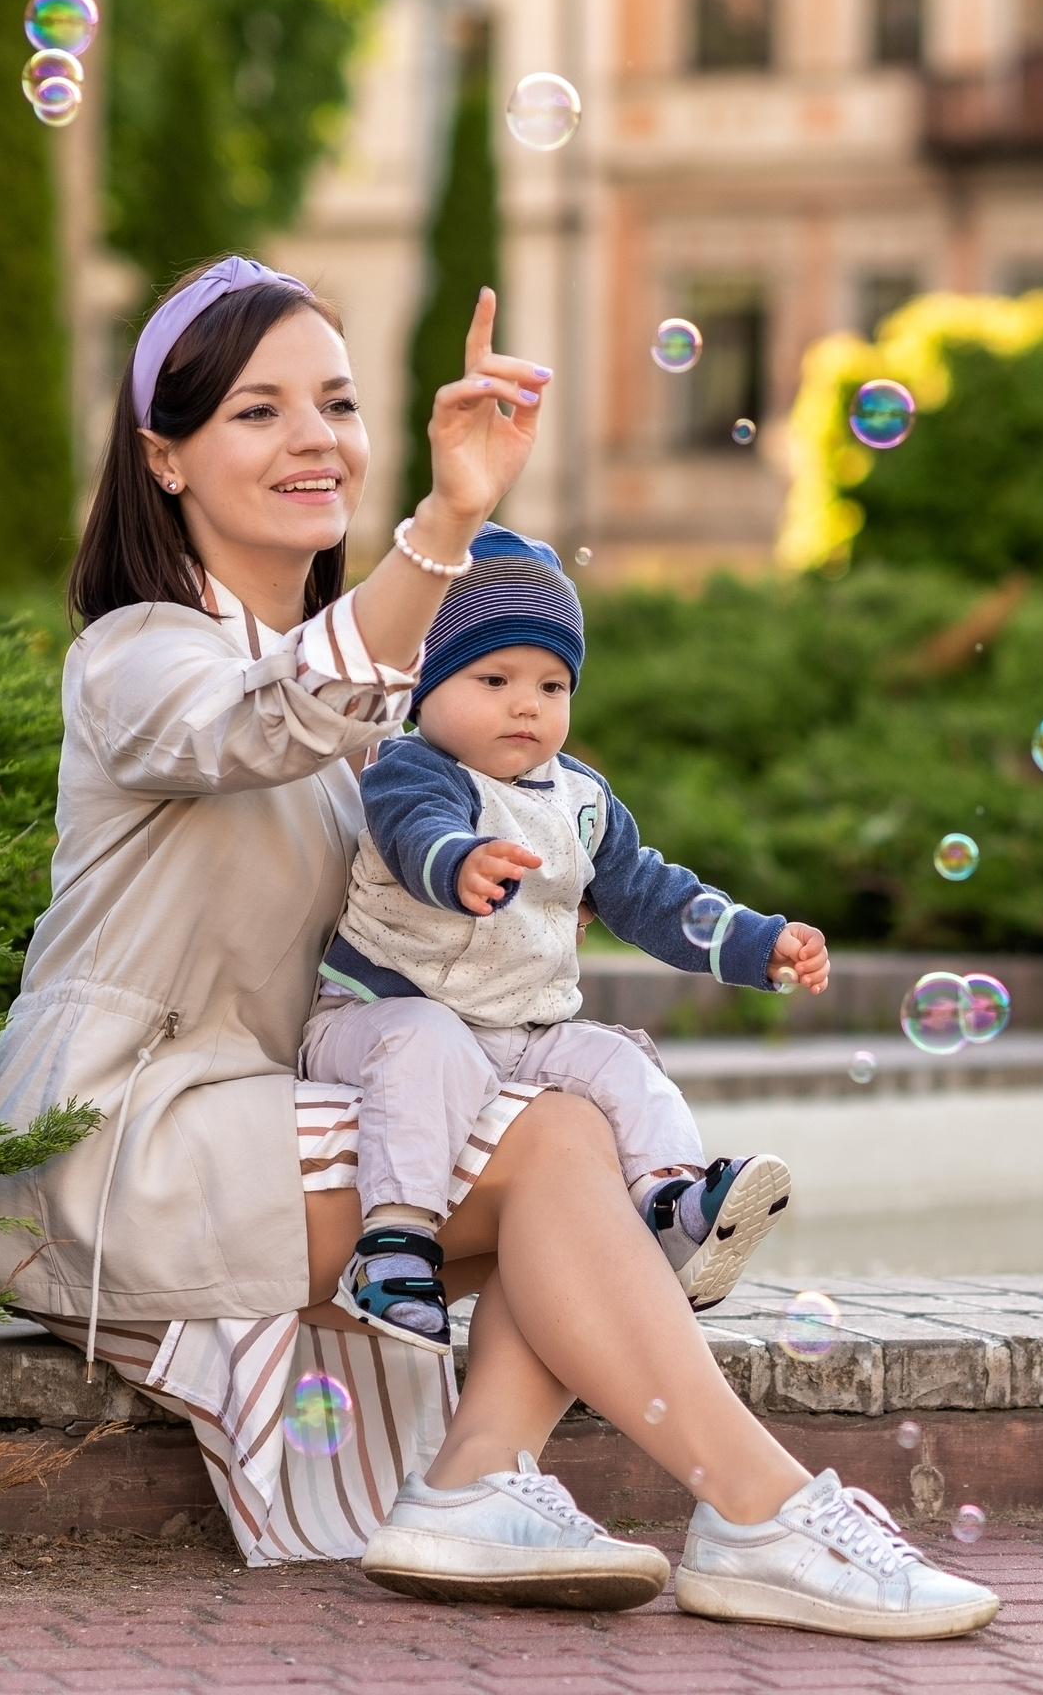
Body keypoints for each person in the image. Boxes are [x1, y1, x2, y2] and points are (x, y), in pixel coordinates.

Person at [0, 254, 997, 1638]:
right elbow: (270, 717)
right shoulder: (139, 657)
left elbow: (412, 794)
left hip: (268, 1128)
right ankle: (757, 1508)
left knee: (561, 1123)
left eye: (334, 401)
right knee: (551, 1137)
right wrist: (447, 524)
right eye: (257, 413)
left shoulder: (386, 718)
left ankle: (483, 1484)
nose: (314, 437)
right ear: (165, 457)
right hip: (122, 1141)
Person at [306, 542, 814, 1354]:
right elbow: (415, 835)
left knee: (620, 1063)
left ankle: (672, 1204)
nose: (526, 707)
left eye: (551, 686)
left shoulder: (583, 801)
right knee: (426, 1041)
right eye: (494, 680)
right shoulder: (413, 768)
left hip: (519, 1031)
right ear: (424, 686)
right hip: (380, 1013)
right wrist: (462, 861)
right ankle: (395, 1243)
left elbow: (655, 896)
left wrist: (757, 943)